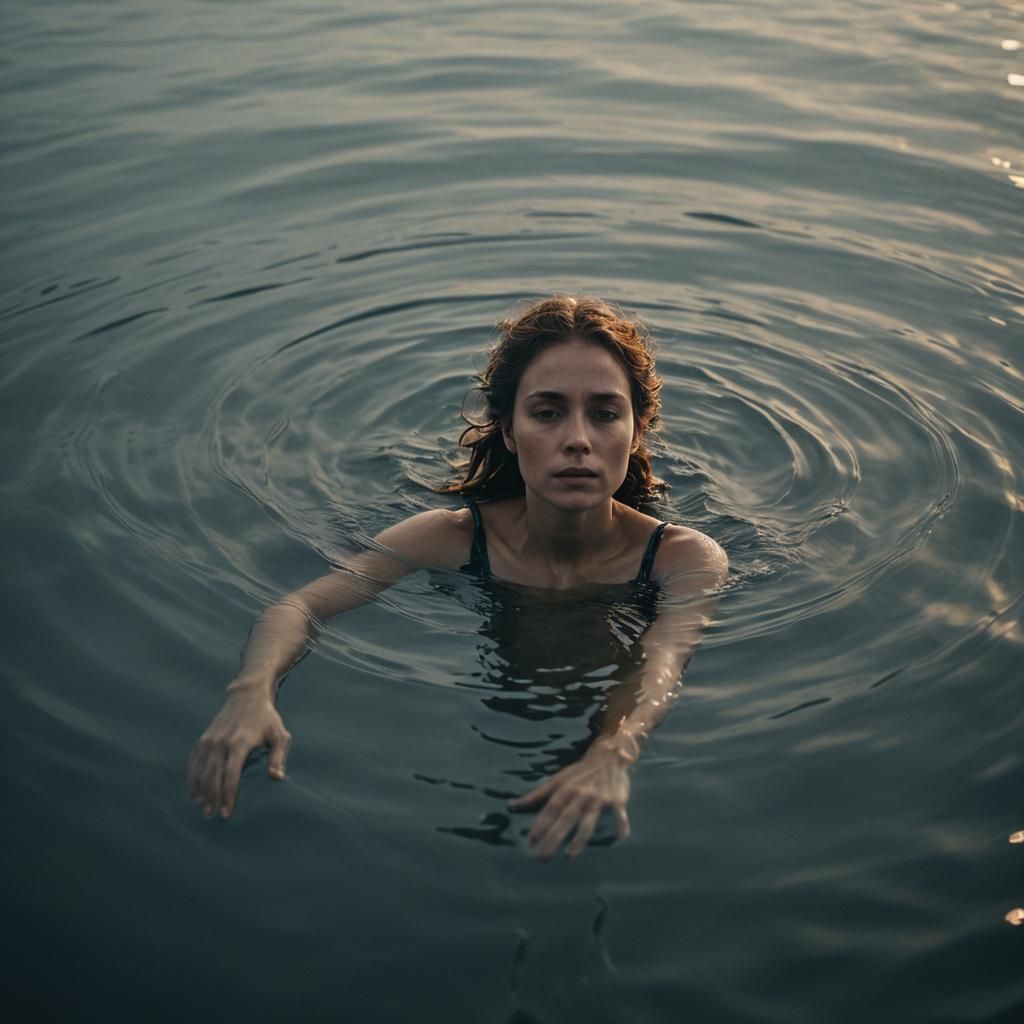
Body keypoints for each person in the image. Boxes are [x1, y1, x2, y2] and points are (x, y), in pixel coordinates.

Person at [187, 295, 728, 860]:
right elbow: (298, 607)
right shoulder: (449, 537)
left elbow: (661, 663)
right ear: (510, 432)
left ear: (636, 432)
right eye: (546, 412)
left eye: (604, 413)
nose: (578, 439)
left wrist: (611, 756)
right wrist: (251, 695)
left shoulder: (684, 559)